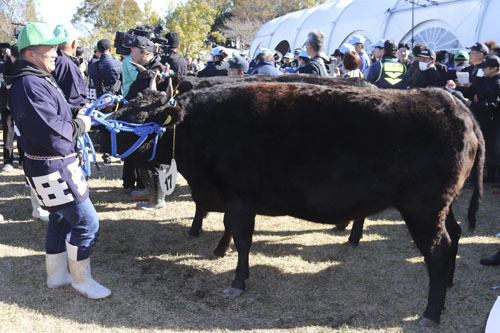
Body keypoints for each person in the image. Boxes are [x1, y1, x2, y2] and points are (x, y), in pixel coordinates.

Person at [3, 22, 110, 299]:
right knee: (87, 223)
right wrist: (81, 125)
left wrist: (78, 112)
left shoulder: (35, 78)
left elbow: (54, 117)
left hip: (49, 164)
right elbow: (54, 133)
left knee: (60, 219)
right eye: (50, 48)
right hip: (53, 165)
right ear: (31, 53)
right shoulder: (30, 84)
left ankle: (57, 276)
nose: (56, 52)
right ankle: (81, 281)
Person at [123, 35, 167, 210]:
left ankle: (158, 200)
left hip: (152, 125)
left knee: (152, 160)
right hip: (143, 123)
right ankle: (150, 189)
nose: (130, 53)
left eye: (133, 50)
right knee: (139, 158)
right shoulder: (147, 68)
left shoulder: (155, 70)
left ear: (145, 51)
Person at [52, 24, 88, 108]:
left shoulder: (47, 61)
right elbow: (77, 100)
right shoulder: (67, 65)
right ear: (74, 43)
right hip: (68, 117)